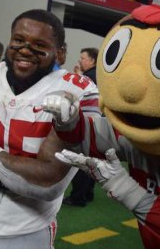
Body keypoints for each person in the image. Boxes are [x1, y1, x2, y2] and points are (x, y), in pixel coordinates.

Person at [0, 9, 100, 248]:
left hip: (30, 230)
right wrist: (14, 177)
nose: (25, 49)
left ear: (60, 53)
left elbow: (48, 184)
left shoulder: (77, 91)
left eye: (39, 44)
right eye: (19, 41)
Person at [62, 47, 98, 207]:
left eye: (83, 58)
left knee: (80, 162)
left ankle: (78, 197)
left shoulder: (90, 78)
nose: (80, 61)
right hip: (96, 125)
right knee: (90, 161)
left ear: (92, 61)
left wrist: (78, 77)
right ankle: (87, 193)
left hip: (87, 125)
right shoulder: (97, 75)